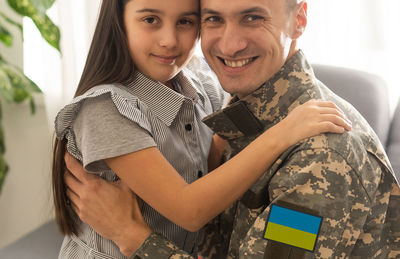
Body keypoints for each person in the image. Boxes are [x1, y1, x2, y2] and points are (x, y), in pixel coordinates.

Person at [53, 0, 352, 258]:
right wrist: (280, 135)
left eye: (185, 21)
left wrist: (130, 234)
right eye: (150, 20)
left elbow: (205, 176)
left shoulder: (317, 155)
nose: (169, 40)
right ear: (119, 22)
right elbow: (190, 208)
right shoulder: (106, 108)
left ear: (299, 20)